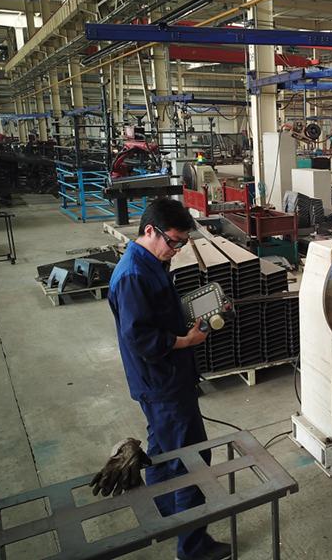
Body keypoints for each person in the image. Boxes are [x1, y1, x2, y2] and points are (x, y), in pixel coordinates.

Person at [108, 199, 230, 560]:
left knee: (163, 449)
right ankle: (192, 547)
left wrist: (199, 311)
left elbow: (159, 314)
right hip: (164, 382)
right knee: (192, 459)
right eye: (174, 242)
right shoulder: (133, 275)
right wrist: (186, 341)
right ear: (150, 231)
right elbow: (141, 338)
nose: (176, 250)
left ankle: (164, 515)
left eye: (182, 243)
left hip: (161, 380)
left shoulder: (150, 262)